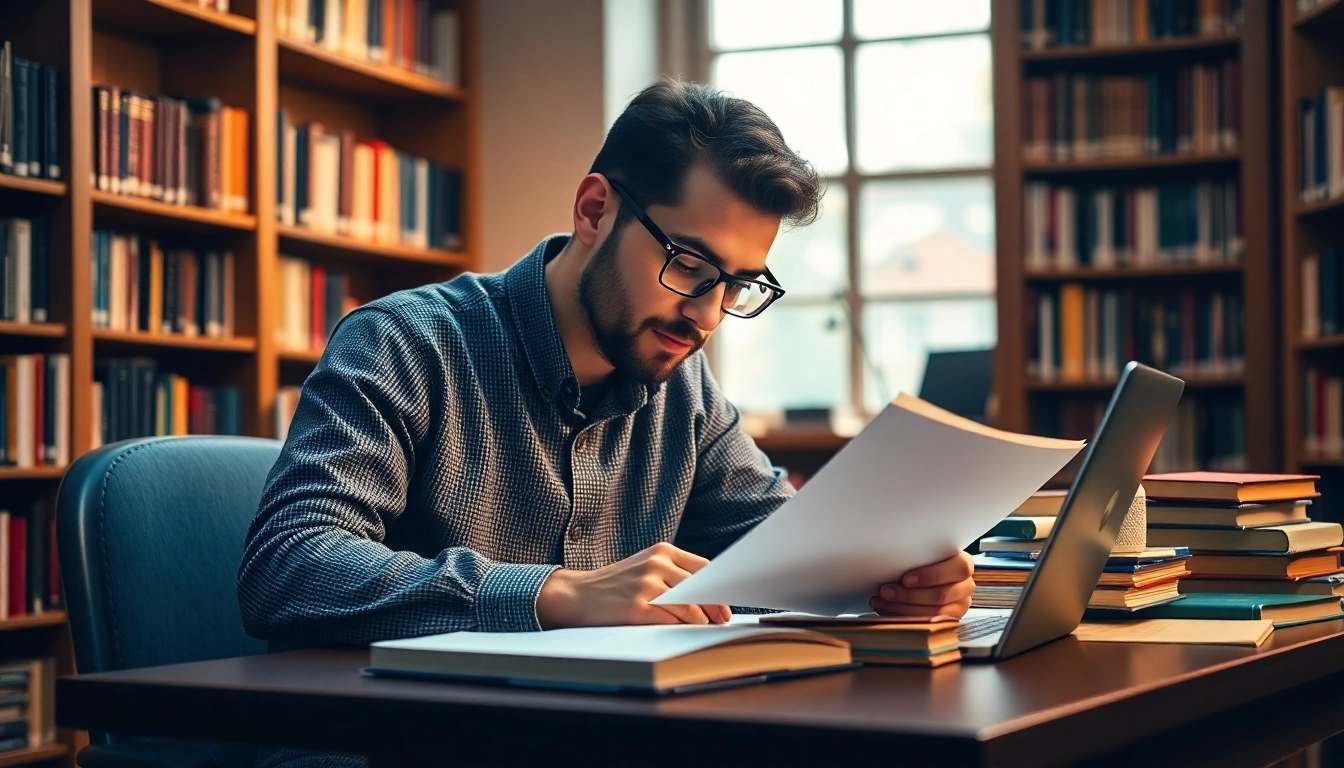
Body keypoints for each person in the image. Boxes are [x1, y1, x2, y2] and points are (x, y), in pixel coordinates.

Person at [238, 79, 975, 647]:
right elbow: (288, 566)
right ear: (594, 211)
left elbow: (783, 554)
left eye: (739, 284)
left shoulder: (681, 389)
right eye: (690, 265)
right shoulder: (403, 342)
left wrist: (893, 578)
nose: (708, 314)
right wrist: (548, 593)